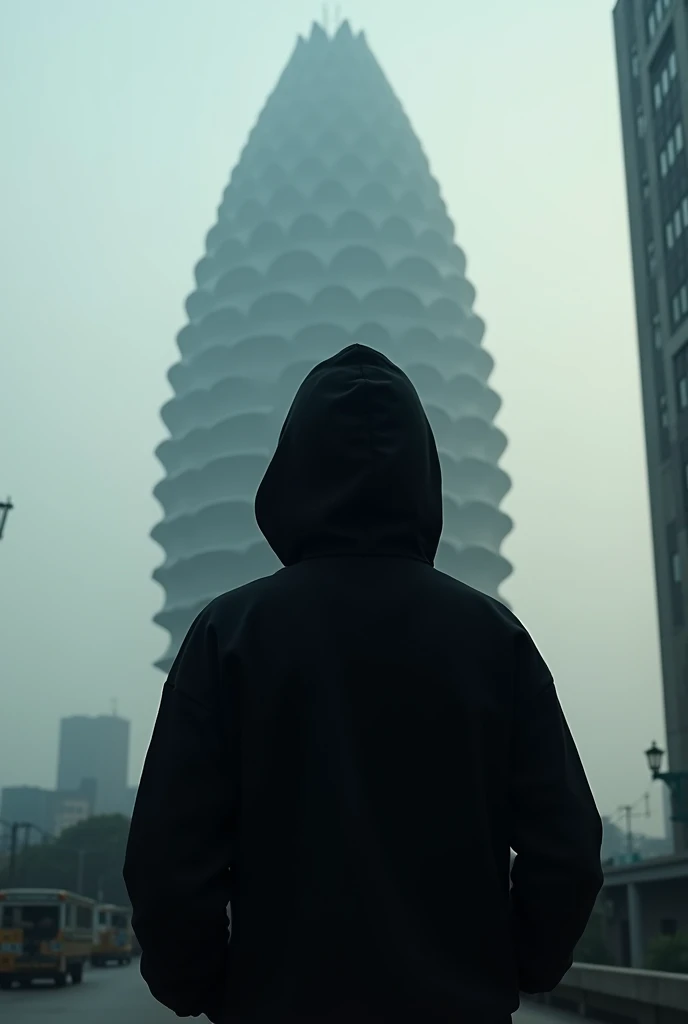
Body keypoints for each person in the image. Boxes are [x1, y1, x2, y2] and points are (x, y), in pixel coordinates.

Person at [124, 343, 603, 1023]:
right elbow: (568, 849)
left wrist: (205, 986)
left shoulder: (230, 636)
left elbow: (166, 862)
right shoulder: (495, 640)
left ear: (291, 470)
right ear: (424, 474)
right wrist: (518, 964)